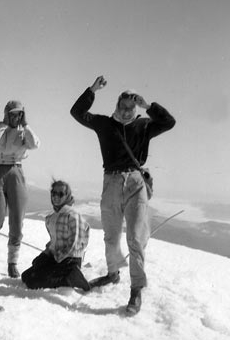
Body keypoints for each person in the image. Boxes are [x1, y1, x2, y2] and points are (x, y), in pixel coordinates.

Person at [70, 75, 175, 315]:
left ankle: (136, 289)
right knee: (111, 234)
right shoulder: (105, 124)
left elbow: (169, 122)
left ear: (136, 108)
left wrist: (149, 106)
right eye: (123, 107)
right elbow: (77, 112)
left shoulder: (144, 125)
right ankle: (112, 273)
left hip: (136, 184)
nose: (127, 112)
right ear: (117, 106)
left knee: (135, 239)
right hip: (112, 181)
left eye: (131, 108)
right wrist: (92, 90)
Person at [0, 100, 40, 278]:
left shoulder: (24, 131)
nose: (16, 117)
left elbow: (35, 144)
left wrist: (26, 125)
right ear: (6, 114)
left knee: (17, 219)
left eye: (19, 114)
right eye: (13, 114)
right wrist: (3, 126)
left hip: (16, 171)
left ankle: (12, 262)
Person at [21, 180, 90, 291]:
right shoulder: (53, 217)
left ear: (67, 196)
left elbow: (74, 243)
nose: (56, 197)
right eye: (54, 193)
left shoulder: (72, 216)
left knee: (32, 282)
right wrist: (46, 254)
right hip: (56, 256)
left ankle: (70, 277)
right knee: (26, 276)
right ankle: (59, 274)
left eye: (60, 194)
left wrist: (56, 259)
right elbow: (54, 241)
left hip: (69, 260)